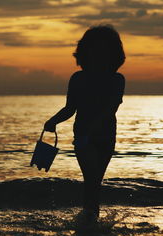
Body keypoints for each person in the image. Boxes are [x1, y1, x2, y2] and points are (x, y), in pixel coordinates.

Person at [44, 25, 125, 220]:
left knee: (95, 180)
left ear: (113, 54)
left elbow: (111, 109)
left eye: (104, 50)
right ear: (86, 53)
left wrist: (93, 126)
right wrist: (53, 121)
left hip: (105, 137)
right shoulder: (78, 78)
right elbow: (70, 108)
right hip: (83, 137)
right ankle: (90, 218)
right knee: (92, 179)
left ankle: (90, 218)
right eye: (95, 50)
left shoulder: (116, 80)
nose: (99, 55)